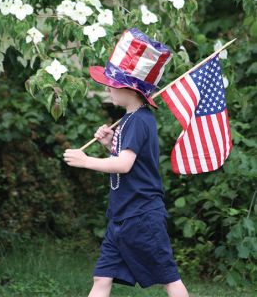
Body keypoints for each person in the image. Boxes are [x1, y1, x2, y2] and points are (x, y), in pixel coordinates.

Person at [63, 28, 189, 297]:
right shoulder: (130, 120)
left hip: (142, 216)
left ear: (130, 90)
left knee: (169, 277)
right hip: (121, 216)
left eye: (112, 84)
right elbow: (128, 160)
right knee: (101, 277)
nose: (107, 88)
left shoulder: (140, 120)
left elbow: (123, 166)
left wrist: (86, 160)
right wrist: (110, 145)